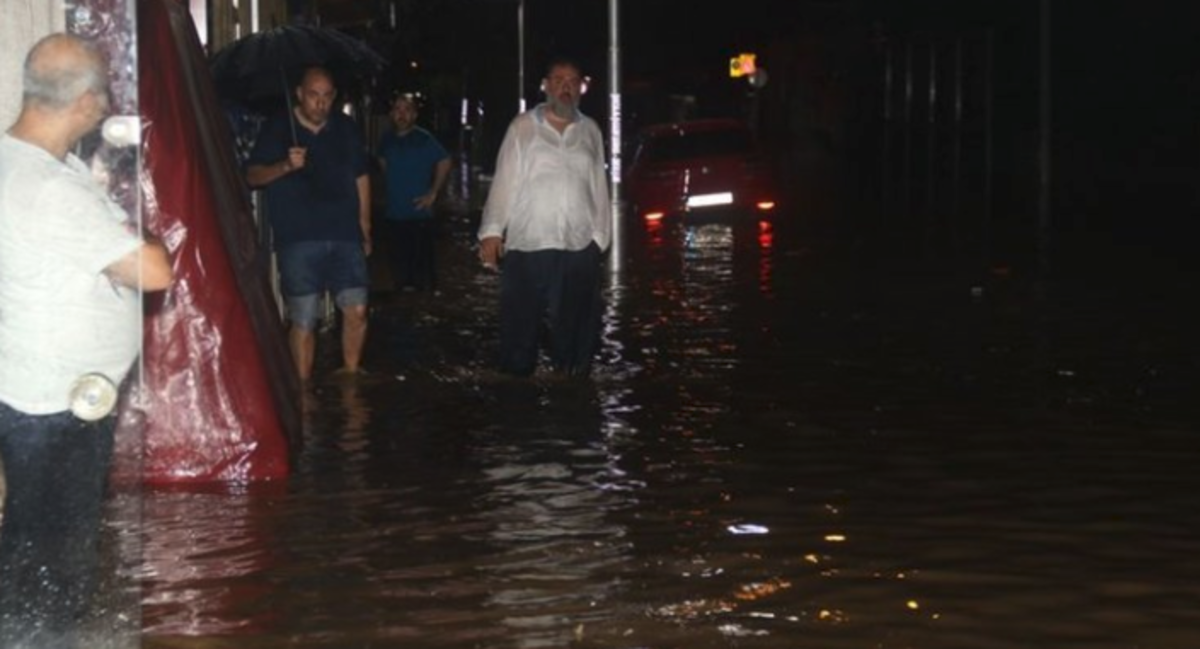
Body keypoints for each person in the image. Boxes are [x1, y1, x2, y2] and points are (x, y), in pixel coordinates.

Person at [0, 33, 173, 643]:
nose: (107, 103)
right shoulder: (53, 190)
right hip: (57, 407)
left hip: (27, 392)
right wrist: (137, 234)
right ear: (82, 102)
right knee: (57, 556)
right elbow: (156, 270)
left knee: (28, 537)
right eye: (102, 90)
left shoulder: (24, 163)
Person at [477, 57, 611, 377]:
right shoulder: (522, 126)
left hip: (578, 247)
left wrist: (599, 240)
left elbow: (599, 188)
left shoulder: (590, 130)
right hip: (528, 246)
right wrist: (492, 231)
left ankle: (572, 404)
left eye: (573, 80)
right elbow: (505, 180)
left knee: (576, 338)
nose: (566, 86)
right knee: (519, 334)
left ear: (581, 88)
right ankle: (518, 410)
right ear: (546, 86)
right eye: (559, 79)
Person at [246, 67, 371, 382]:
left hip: (344, 233)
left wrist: (365, 227)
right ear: (300, 94)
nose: (321, 103)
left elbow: (361, 178)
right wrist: (286, 165)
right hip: (298, 237)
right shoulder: (277, 128)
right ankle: (302, 392)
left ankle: (351, 379)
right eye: (314, 95)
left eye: (328, 96)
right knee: (304, 317)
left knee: (356, 310)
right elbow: (252, 176)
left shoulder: (345, 128)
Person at [376, 93, 451, 293]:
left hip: (419, 215)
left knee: (423, 277)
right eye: (398, 110)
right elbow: (383, 164)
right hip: (394, 215)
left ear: (415, 115)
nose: (402, 115)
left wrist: (433, 192)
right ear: (392, 114)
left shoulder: (423, 138)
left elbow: (445, 161)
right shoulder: (386, 140)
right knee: (399, 274)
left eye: (407, 110)